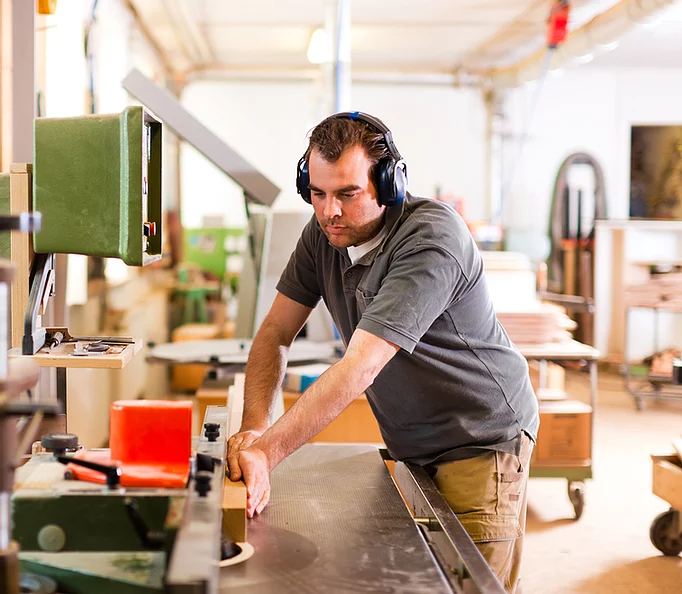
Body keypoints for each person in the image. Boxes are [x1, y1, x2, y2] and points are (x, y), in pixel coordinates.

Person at [227, 111, 539, 593]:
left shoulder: (431, 238)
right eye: (317, 193)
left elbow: (361, 366)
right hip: (412, 445)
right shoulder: (323, 236)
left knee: (467, 585)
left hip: (480, 439)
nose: (329, 210)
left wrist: (266, 454)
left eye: (347, 194)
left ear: (389, 183)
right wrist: (253, 429)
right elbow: (273, 333)